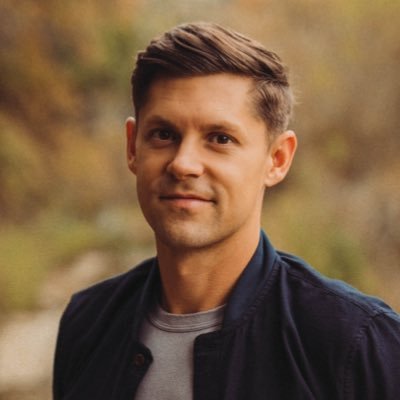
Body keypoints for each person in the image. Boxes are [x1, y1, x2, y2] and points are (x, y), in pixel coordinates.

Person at [53, 22, 400, 400]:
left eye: (220, 139)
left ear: (277, 159)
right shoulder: (86, 323)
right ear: (133, 146)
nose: (183, 164)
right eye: (164, 134)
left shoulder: (358, 346)